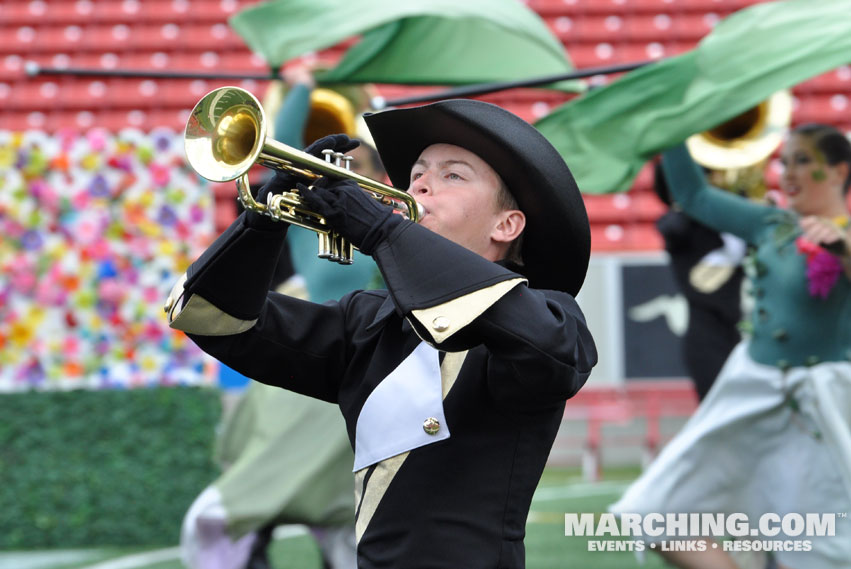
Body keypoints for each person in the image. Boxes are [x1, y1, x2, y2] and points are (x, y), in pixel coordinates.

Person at [166, 97, 597, 568]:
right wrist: (262, 221)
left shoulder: (550, 314)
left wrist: (380, 232)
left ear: (507, 225)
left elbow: (542, 347)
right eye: (417, 173)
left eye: (452, 175)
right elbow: (213, 318)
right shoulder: (366, 322)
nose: (422, 184)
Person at [610, 123, 851, 569]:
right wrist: (675, 123)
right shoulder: (771, 224)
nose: (788, 172)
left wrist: (842, 249)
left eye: (804, 161)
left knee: (822, 549)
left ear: (838, 172)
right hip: (751, 387)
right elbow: (694, 195)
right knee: (656, 511)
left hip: (823, 402)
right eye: (785, 160)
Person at [180, 66, 380, 569]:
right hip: (297, 371)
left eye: (365, 167)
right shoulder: (306, 219)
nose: (350, 173)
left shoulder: (393, 229)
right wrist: (304, 87)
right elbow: (280, 147)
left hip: (351, 374)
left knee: (348, 526)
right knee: (227, 510)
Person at [652, 161, 746, 400]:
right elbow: (674, 227)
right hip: (706, 340)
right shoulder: (678, 224)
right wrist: (696, 196)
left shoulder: (734, 220)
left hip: (742, 335)